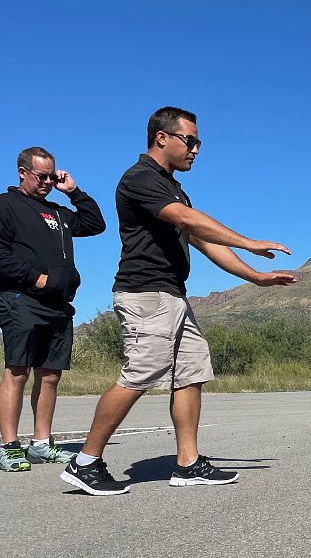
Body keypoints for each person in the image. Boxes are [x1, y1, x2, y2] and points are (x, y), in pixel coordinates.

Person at [60, 107, 296, 496]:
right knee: (141, 373)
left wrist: (255, 276)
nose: (196, 150)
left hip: (173, 295)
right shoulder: (139, 178)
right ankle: (85, 461)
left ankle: (187, 464)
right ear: (162, 138)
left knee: (191, 372)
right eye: (191, 140)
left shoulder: (173, 188)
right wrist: (251, 241)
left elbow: (203, 240)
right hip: (145, 294)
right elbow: (189, 222)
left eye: (198, 142)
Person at [0, 147, 106, 472]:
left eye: (51, 176)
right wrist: (39, 279)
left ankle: (41, 444)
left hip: (59, 305)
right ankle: (9, 446)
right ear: (22, 173)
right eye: (40, 176)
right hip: (23, 299)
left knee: (50, 376)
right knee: (18, 371)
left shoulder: (57, 212)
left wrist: (73, 191)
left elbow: (94, 223)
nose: (47, 181)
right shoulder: (6, 206)